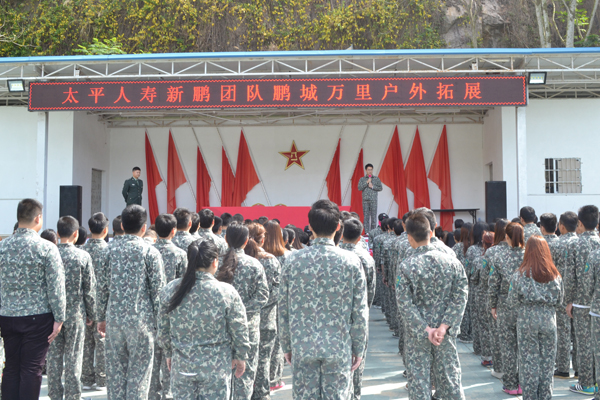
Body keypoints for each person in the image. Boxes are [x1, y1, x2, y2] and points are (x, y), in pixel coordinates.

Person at [279, 200, 368, 399]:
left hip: (303, 345)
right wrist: (358, 347)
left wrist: (286, 345)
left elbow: (283, 308)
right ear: (338, 227)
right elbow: (360, 311)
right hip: (339, 347)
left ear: (310, 227)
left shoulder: (293, 260)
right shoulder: (351, 261)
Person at [157, 240, 250, 399]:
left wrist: (168, 352)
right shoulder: (226, 292)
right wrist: (241, 356)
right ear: (215, 262)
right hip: (216, 369)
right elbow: (239, 329)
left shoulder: (170, 290)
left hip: (182, 366)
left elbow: (163, 328)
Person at [396, 211, 468, 400]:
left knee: (419, 384)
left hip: (418, 337)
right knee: (450, 381)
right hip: (445, 336)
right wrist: (444, 326)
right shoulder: (452, 261)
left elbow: (404, 303)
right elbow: (461, 295)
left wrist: (425, 329)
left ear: (409, 237)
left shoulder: (406, 266)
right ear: (431, 233)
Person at [96, 205, 166, 400]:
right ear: (144, 228)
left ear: (123, 226)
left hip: (115, 321)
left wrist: (101, 316)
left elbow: (101, 287)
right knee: (140, 375)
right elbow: (159, 293)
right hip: (141, 323)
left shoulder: (108, 251)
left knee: (115, 375)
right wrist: (161, 325)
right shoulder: (150, 253)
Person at [0, 199, 66, 400]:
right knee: (31, 369)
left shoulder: (3, 247)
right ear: (38, 218)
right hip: (38, 317)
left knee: (11, 367)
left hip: (8, 316)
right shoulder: (46, 248)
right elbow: (56, 286)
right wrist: (59, 317)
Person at [216, 223, 269, 400]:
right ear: (247, 241)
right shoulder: (254, 264)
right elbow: (263, 295)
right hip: (248, 329)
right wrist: (242, 313)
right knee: (245, 375)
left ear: (225, 239)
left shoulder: (216, 263)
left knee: (221, 375)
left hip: (220, 327)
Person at [508, 236, 563, 400]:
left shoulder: (519, 275)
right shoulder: (555, 275)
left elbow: (511, 301)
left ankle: (530, 396)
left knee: (528, 363)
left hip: (527, 319)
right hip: (548, 320)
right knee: (547, 363)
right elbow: (560, 301)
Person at [47, 216, 96, 400]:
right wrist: (92, 314)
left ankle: (54, 395)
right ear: (76, 234)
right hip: (76, 313)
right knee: (75, 356)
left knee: (53, 357)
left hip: (52, 316)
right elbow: (89, 289)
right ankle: (73, 395)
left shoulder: (49, 253)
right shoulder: (83, 256)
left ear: (58, 233)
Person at [150, 214, 188, 400]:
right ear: (174, 231)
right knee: (169, 360)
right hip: (172, 314)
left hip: (150, 314)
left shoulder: (148, 250)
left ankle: (152, 395)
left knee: (151, 362)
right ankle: (168, 395)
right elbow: (184, 287)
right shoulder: (180, 254)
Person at [244, 223, 281, 400]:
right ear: (263, 239)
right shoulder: (270, 260)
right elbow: (276, 292)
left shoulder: (238, 259)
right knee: (263, 362)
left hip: (243, 320)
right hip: (266, 319)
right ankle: (261, 395)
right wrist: (261, 306)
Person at [565, 205, 600, 395]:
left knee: (584, 345)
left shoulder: (574, 244)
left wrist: (568, 300)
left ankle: (586, 383)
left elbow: (570, 276)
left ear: (580, 223)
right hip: (597, 303)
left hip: (580, 302)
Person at [340, 218, 375, 400]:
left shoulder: (336, 254)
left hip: (338, 320)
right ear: (360, 236)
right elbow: (370, 292)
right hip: (359, 318)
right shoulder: (365, 258)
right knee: (357, 363)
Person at [488, 222, 525, 395]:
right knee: (525, 347)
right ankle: (525, 383)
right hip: (525, 308)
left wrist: (492, 305)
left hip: (505, 307)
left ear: (507, 237)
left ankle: (511, 384)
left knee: (508, 347)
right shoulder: (529, 256)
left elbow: (493, 284)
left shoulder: (499, 256)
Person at [81, 212, 110, 391]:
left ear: (89, 229)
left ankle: (86, 379)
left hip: (83, 305)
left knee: (86, 343)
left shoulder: (81, 251)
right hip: (104, 305)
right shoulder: (109, 251)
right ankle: (102, 379)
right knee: (102, 342)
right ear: (106, 230)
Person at [263, 221, 291, 392]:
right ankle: (274, 379)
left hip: (262, 307)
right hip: (281, 305)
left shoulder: (259, 256)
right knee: (278, 344)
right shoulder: (287, 256)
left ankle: (262, 379)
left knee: (264, 345)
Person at [553, 211, 579, 379]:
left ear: (561, 226)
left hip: (561, 294)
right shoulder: (581, 243)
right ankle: (579, 368)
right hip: (581, 295)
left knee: (562, 331)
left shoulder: (555, 244)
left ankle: (562, 367)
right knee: (579, 333)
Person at [482, 218, 509, 380]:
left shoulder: (491, 252)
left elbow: (485, 276)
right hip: (514, 301)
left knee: (496, 334)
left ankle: (499, 368)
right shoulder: (521, 251)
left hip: (496, 300)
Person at [357, 163, 383, 232]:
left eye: (371, 170)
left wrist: (373, 187)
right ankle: (366, 232)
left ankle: (373, 232)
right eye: (368, 170)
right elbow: (359, 188)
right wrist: (367, 182)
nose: (370, 171)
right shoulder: (362, 179)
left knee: (373, 217)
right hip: (365, 201)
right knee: (366, 217)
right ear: (366, 170)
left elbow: (380, 188)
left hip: (373, 200)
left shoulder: (376, 179)